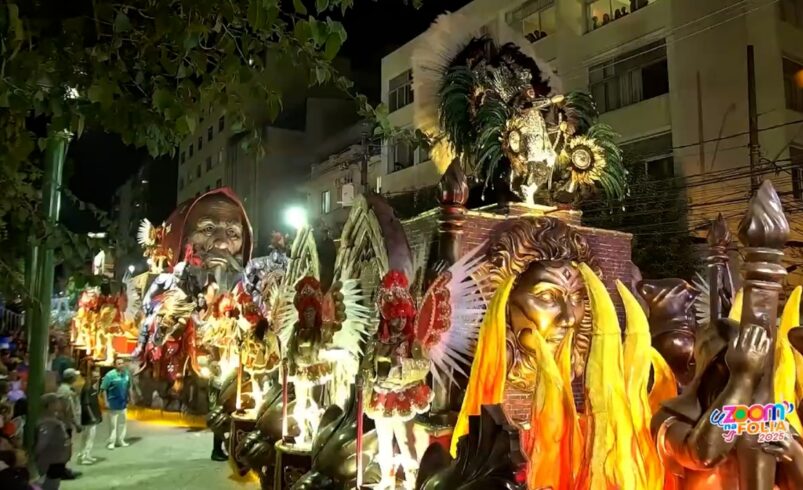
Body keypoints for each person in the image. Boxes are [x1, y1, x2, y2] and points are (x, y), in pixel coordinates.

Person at [35, 393, 71, 490]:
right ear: (50, 405)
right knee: (51, 485)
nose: (60, 404)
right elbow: (42, 443)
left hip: (57, 460)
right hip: (50, 462)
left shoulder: (54, 419)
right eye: (57, 402)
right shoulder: (48, 422)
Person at [55, 369, 81, 480]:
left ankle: (62, 469)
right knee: (64, 449)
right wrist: (76, 424)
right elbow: (69, 410)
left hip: (62, 423)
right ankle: (61, 471)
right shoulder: (66, 392)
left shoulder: (62, 389)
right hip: (65, 424)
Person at [101, 358, 130, 450]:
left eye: (122, 363)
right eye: (118, 364)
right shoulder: (110, 375)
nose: (121, 365)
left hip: (123, 404)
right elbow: (104, 389)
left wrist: (130, 398)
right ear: (115, 365)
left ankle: (120, 440)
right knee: (113, 425)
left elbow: (128, 387)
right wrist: (106, 401)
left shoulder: (126, 374)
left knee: (122, 423)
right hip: (113, 404)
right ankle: (111, 442)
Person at [78, 367, 102, 464]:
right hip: (89, 419)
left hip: (91, 417)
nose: (96, 379)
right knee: (89, 437)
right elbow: (86, 404)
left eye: (98, 377)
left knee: (86, 437)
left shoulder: (92, 387)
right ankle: (84, 456)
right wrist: (92, 416)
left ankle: (86, 454)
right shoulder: (87, 388)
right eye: (94, 377)